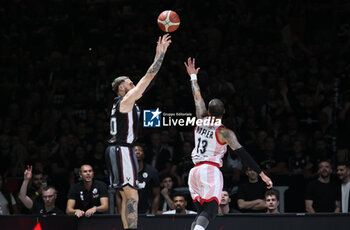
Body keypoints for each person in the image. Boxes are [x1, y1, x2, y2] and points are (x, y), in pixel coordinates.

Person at [184, 57, 272, 230]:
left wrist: (193, 77)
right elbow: (243, 154)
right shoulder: (225, 132)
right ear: (224, 112)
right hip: (209, 170)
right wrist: (262, 174)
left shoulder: (201, 119)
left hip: (194, 171)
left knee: (202, 212)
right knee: (210, 211)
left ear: (208, 111)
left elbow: (197, 96)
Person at [104, 34, 171, 230]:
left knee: (127, 196)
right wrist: (161, 54)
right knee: (132, 195)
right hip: (122, 149)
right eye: (131, 83)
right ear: (121, 88)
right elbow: (148, 76)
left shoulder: (124, 103)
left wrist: (158, 56)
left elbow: (148, 82)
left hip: (119, 149)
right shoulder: (125, 101)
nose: (134, 85)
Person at [134, 144, 160, 214]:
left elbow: (156, 194)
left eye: (140, 150)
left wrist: (153, 213)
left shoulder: (152, 171)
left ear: (144, 154)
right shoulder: (125, 171)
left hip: (146, 211)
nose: (137, 152)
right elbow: (118, 195)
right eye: (135, 150)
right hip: (129, 211)